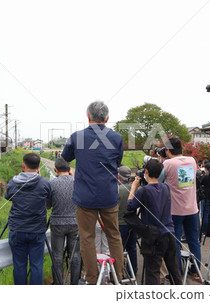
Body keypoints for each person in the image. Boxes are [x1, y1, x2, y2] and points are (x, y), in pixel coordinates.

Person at [62, 100, 124, 285]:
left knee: (87, 237)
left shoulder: (77, 136)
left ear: (88, 117)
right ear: (107, 118)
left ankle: (92, 278)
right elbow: (118, 162)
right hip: (109, 196)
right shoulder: (116, 138)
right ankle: (117, 278)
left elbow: (65, 158)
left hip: (84, 196)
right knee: (114, 235)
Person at [127, 158, 182, 285]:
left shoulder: (144, 191)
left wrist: (134, 187)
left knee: (152, 272)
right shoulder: (166, 187)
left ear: (145, 171)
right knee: (174, 270)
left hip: (154, 237)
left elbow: (130, 206)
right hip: (170, 233)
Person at [4, 153, 52, 285]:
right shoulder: (44, 182)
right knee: (36, 265)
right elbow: (49, 200)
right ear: (38, 167)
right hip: (37, 231)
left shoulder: (13, 182)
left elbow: (8, 196)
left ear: (23, 166)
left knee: (19, 266)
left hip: (17, 229)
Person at [163, 137, 201, 277]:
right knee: (193, 240)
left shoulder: (168, 163)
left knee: (175, 243)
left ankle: (177, 272)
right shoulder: (192, 160)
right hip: (192, 208)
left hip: (175, 210)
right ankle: (195, 270)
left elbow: (159, 179)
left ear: (168, 150)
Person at [47, 158, 81, 285]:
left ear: (56, 170)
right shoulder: (77, 182)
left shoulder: (52, 183)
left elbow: (48, 206)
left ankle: (58, 284)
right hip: (75, 222)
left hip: (57, 223)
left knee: (57, 256)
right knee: (75, 256)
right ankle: (75, 283)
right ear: (70, 168)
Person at [117, 165, 138, 276]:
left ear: (119, 177)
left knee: (120, 249)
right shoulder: (134, 188)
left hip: (121, 222)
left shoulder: (118, 190)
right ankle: (133, 270)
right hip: (132, 222)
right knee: (132, 248)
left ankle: (119, 272)